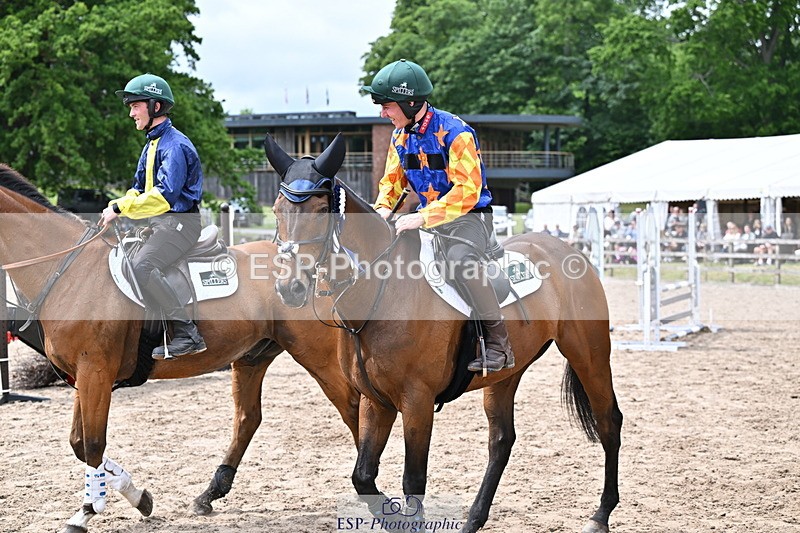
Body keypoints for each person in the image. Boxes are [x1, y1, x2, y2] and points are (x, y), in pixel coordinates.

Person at [362, 59, 513, 373]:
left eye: (387, 106)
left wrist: (423, 217)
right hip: (428, 219)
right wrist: (380, 211)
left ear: (410, 102)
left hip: (470, 218)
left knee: (461, 261)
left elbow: (469, 189)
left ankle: (499, 343)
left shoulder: (456, 132)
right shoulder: (399, 137)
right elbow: (392, 183)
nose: (382, 114)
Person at [100, 73, 206, 359]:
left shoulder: (175, 145)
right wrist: (117, 204)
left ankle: (187, 333)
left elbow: (164, 197)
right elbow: (138, 188)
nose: (131, 113)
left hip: (182, 224)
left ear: (155, 107)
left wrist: (121, 209)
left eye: (135, 105)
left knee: (142, 266)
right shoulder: (151, 145)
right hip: (161, 223)